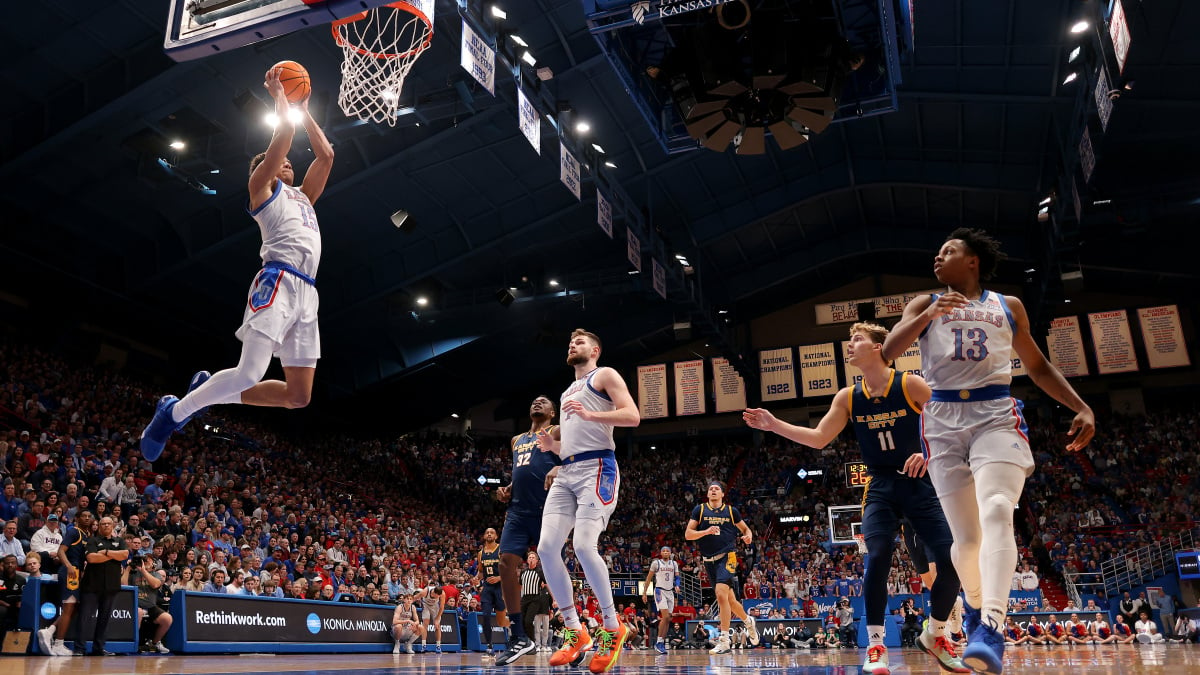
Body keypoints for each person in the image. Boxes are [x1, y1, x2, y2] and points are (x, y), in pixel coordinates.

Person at [883, 228, 1095, 675]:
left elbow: (1036, 365)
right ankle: (977, 609)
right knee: (967, 541)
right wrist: (928, 315)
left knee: (999, 508)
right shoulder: (923, 304)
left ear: (973, 260)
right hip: (941, 420)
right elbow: (887, 352)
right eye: (937, 252)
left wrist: (1080, 405)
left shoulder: (1007, 306)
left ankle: (991, 626)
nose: (938, 258)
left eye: (948, 251)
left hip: (995, 413)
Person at [745, 321, 967, 675]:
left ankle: (937, 633)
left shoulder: (910, 384)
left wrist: (928, 451)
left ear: (879, 347)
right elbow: (819, 438)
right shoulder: (848, 397)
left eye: (857, 339)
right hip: (880, 486)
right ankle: (876, 645)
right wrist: (775, 425)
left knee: (952, 561)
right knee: (877, 555)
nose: (850, 345)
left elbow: (952, 423)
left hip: (922, 483)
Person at [140, 64, 335, 462]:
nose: (289, 165)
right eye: (281, 163)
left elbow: (327, 155)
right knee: (249, 373)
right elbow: (284, 135)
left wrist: (307, 105)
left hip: (307, 293)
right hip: (278, 281)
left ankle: (210, 392)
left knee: (298, 397)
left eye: (288, 164)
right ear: (263, 170)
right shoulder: (261, 190)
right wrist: (281, 96)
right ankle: (172, 413)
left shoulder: (303, 198)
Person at [534, 329, 640, 673]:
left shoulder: (604, 374)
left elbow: (632, 416)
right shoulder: (566, 393)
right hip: (567, 470)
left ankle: (612, 627)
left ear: (595, 349)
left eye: (579, 342)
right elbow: (572, 443)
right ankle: (575, 631)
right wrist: (554, 448)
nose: (572, 345)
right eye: (569, 343)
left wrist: (593, 415)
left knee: (582, 545)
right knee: (546, 548)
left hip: (599, 466)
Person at [495, 396, 560, 665]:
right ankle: (519, 635)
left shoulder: (556, 431)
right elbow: (521, 470)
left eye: (543, 402)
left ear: (552, 412)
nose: (537, 403)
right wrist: (509, 488)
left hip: (548, 508)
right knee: (505, 562)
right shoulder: (517, 440)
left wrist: (559, 466)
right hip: (518, 511)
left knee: (555, 567)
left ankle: (573, 632)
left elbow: (577, 457)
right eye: (533, 401)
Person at [684, 480, 759, 655]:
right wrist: (705, 531)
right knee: (730, 601)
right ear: (708, 494)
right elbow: (688, 534)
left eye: (717, 488)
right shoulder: (700, 510)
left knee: (720, 593)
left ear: (723, 494)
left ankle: (724, 641)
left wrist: (748, 537)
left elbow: (746, 530)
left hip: (728, 556)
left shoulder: (731, 511)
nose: (714, 490)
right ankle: (748, 621)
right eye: (711, 489)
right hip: (708, 561)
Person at [39, 510, 93, 656]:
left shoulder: (86, 535)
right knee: (69, 608)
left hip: (76, 572)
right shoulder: (73, 532)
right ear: (77, 518)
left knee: (73, 608)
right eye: (84, 515)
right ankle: (58, 644)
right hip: (71, 572)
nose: (87, 518)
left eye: (89, 516)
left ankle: (49, 631)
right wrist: (69, 566)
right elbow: (60, 551)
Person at [77, 517, 129, 656]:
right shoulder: (92, 540)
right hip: (91, 586)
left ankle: (98, 648)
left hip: (111, 586)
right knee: (85, 617)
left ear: (113, 526)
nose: (106, 525)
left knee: (104, 619)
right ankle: (79, 648)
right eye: (103, 523)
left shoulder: (120, 541)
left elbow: (125, 555)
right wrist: (114, 555)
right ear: (99, 526)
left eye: (108, 523)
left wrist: (105, 553)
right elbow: (92, 558)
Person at [126, 556, 171, 653]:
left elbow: (155, 584)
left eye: (148, 560)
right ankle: (133, 644)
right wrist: (128, 568)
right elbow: (123, 585)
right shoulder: (133, 573)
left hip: (150, 605)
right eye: (144, 559)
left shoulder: (156, 574)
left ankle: (154, 643)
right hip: (135, 604)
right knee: (138, 612)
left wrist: (143, 571)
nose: (145, 561)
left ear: (153, 563)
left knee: (167, 619)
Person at [641, 545, 681, 655]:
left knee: (668, 619)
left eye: (667, 551)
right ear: (661, 553)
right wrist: (644, 593)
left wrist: (677, 585)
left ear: (670, 553)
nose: (665, 552)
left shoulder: (674, 564)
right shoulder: (656, 563)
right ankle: (658, 642)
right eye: (663, 551)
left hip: (670, 592)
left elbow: (677, 577)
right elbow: (649, 578)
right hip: (659, 591)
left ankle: (661, 642)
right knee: (666, 616)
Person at [475, 527, 508, 655]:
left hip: (500, 587)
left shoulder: (501, 550)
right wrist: (476, 579)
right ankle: (489, 644)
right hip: (488, 588)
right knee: (486, 616)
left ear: (496, 536)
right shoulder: (480, 553)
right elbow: (481, 572)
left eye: (492, 532)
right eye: (487, 532)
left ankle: (515, 636)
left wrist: (500, 577)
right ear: (484, 536)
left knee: (501, 621)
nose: (489, 534)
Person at [519, 552, 552, 654]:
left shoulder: (540, 572)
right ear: (527, 560)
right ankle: (525, 643)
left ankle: (533, 643)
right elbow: (521, 586)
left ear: (537, 561)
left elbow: (548, 585)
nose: (531, 559)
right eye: (530, 557)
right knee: (521, 621)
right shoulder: (523, 572)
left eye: (533, 557)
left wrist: (554, 599)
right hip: (524, 598)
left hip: (535, 599)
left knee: (528, 621)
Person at [417, 574, 445, 653]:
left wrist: (437, 619)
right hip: (426, 605)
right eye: (437, 596)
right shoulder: (425, 591)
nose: (438, 597)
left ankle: (438, 646)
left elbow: (442, 607)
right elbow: (416, 597)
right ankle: (423, 645)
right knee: (425, 624)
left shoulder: (442, 593)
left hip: (435, 607)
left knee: (437, 626)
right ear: (434, 593)